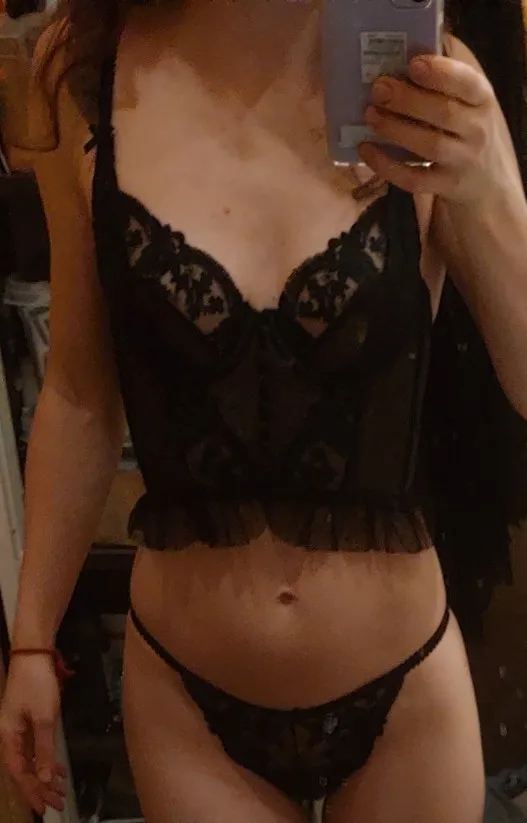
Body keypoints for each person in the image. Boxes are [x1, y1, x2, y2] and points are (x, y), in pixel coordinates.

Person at [1, 1, 527, 821]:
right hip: (187, 700)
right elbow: (77, 391)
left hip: (404, 694)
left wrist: (490, 191)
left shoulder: (422, 75)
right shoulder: (86, 70)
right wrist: (32, 640)